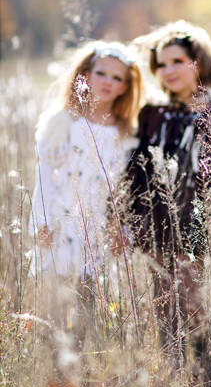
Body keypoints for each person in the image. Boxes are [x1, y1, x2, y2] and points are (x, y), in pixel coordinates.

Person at [121, 20, 211, 387]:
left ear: (199, 62)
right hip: (156, 224)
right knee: (165, 309)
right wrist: (123, 220)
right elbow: (134, 172)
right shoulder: (152, 115)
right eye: (161, 64)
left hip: (199, 227)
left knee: (194, 307)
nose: (169, 70)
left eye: (178, 60)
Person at [30, 42, 143, 333]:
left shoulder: (126, 133)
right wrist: (43, 222)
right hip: (60, 223)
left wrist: (121, 227)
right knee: (54, 307)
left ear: (124, 88)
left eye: (117, 78)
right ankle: (54, 369)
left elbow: (123, 189)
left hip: (96, 229)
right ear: (85, 75)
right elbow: (45, 175)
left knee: (89, 309)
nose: (108, 81)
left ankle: (85, 370)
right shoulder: (63, 122)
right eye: (101, 73)